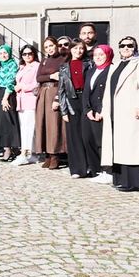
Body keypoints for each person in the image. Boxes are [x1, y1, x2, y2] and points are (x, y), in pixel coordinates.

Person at [101, 36, 139, 192]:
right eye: (122, 45)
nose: (126, 48)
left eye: (129, 46)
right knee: (119, 146)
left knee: (133, 147)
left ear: (135, 47)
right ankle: (121, 179)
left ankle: (135, 183)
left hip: (132, 111)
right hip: (115, 112)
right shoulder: (116, 65)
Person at [57, 40, 88, 178]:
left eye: (81, 48)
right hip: (72, 101)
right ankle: (77, 169)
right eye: (75, 48)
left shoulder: (89, 64)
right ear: (70, 50)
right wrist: (63, 111)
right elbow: (61, 90)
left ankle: (90, 166)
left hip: (86, 101)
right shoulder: (64, 67)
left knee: (87, 135)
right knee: (74, 136)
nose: (78, 51)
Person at [34, 36, 66, 170]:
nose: (49, 49)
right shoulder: (44, 61)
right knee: (43, 124)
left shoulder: (63, 59)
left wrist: (57, 98)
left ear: (56, 46)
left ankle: (55, 155)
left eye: (51, 46)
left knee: (53, 125)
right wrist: (50, 76)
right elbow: (38, 77)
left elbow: (62, 80)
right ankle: (46, 153)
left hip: (54, 91)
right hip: (43, 93)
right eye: (46, 47)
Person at [84, 45, 113, 183]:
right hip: (90, 111)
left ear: (108, 55)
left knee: (102, 142)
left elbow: (109, 93)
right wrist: (87, 109)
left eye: (101, 54)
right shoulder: (91, 70)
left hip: (102, 111)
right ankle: (96, 170)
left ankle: (107, 171)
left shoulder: (111, 70)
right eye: (96, 55)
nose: (98, 57)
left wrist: (102, 110)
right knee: (89, 140)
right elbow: (86, 91)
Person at [12, 45, 41, 166]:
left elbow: (37, 83)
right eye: (24, 54)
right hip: (21, 100)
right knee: (25, 126)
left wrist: (22, 87)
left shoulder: (37, 66)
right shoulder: (22, 67)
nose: (27, 56)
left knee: (29, 127)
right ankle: (31, 153)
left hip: (30, 99)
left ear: (34, 54)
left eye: (29, 53)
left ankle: (27, 153)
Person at [0, 45, 20, 162]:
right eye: (0, 54)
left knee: (7, 122)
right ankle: (8, 148)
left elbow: (11, 82)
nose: (3, 55)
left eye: (5, 53)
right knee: (2, 122)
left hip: (7, 95)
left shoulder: (12, 65)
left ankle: (9, 149)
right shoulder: (1, 66)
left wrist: (5, 98)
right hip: (0, 94)